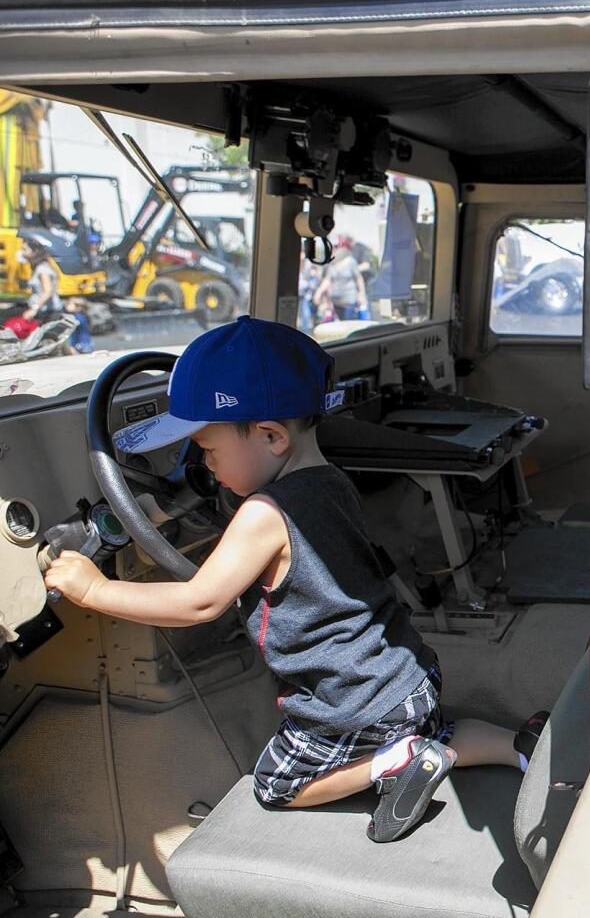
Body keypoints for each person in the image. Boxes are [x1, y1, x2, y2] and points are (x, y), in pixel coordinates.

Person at [41, 316, 527, 842]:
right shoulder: (331, 480)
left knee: (277, 784)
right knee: (436, 726)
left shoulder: (263, 514)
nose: (203, 466)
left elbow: (199, 603)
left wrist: (94, 589)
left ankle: (394, 763)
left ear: (271, 436)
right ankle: (519, 746)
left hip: (350, 700)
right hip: (407, 676)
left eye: (208, 449)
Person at [314, 235, 371, 322]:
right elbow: (328, 280)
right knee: (341, 323)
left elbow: (359, 279)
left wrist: (362, 294)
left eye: (336, 247)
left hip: (349, 300)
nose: (335, 250)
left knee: (349, 323)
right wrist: (319, 292)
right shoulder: (332, 265)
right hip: (336, 301)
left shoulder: (350, 262)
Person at [19, 235, 62, 320]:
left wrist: (34, 309)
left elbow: (47, 291)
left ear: (34, 252)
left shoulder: (43, 269)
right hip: (42, 311)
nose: (22, 252)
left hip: (48, 312)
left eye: (25, 250)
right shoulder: (38, 267)